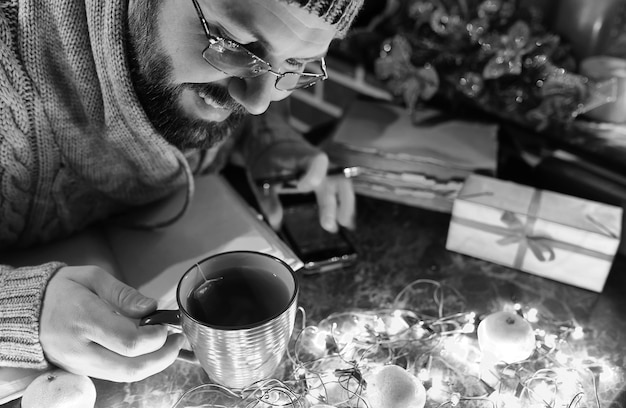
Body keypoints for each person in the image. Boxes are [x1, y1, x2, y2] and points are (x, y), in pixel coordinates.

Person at [0, 0, 363, 382]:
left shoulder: (246, 80)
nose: (257, 103)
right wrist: (24, 312)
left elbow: (262, 92)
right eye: (231, 45)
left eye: (298, 66)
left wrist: (268, 139)